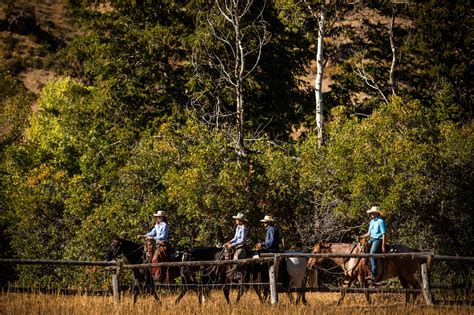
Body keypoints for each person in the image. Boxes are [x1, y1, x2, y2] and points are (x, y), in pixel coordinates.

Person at [137, 210, 169, 280]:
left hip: (163, 244)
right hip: (157, 244)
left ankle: (157, 275)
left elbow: (163, 236)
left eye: (159, 217)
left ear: (163, 217)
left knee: (155, 258)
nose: (158, 218)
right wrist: (143, 236)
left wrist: (153, 238)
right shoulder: (157, 225)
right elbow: (152, 232)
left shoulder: (165, 225)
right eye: (157, 217)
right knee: (148, 255)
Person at [360, 206, 387, 282]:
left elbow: (384, 234)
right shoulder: (372, 222)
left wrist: (383, 245)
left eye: (372, 213)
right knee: (362, 251)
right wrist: (361, 236)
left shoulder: (380, 221)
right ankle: (365, 270)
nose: (371, 214)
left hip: (378, 240)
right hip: (371, 239)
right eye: (371, 213)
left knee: (372, 254)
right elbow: (369, 233)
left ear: (376, 213)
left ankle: (374, 274)